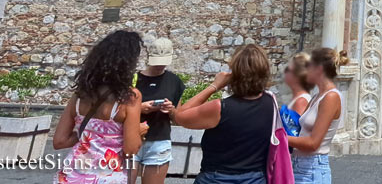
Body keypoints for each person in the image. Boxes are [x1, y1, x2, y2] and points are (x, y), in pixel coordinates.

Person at [51, 29, 147, 184]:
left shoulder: (79, 95)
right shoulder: (130, 98)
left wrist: (89, 133)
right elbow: (130, 149)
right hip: (108, 176)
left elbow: (59, 141)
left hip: (72, 175)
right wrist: (138, 132)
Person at [171, 44, 275, 184]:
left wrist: (214, 86)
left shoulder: (220, 108)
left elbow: (179, 116)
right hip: (255, 177)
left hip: (217, 177)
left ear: (234, 73)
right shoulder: (270, 102)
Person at [287, 48, 348, 184]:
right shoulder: (316, 97)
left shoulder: (331, 97)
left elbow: (314, 143)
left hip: (312, 170)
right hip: (300, 166)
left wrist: (278, 137)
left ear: (319, 69)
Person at [129, 37, 185, 184]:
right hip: (131, 137)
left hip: (159, 140)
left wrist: (171, 110)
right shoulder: (133, 79)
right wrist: (140, 108)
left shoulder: (175, 82)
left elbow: (178, 117)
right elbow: (117, 111)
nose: (160, 66)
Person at [279, 52, 314, 136]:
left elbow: (296, 133)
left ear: (297, 76)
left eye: (288, 69)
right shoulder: (298, 99)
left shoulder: (301, 101)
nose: (285, 72)